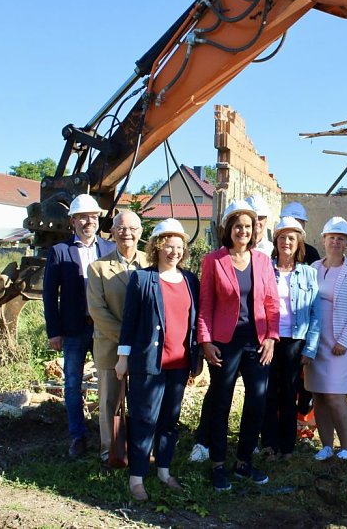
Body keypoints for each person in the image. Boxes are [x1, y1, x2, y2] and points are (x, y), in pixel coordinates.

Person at [197, 199, 279, 491]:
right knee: (221, 402)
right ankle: (218, 464)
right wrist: (205, 341)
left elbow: (271, 302)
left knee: (257, 401)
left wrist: (271, 337)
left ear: (254, 230)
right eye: (237, 226)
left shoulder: (262, 261)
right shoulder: (213, 261)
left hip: (257, 343)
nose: (242, 231)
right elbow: (205, 306)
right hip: (224, 343)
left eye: (248, 226)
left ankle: (244, 462)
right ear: (228, 229)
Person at [115, 218, 200, 501]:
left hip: (179, 363)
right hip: (149, 363)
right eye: (168, 246)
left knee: (169, 422)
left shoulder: (190, 280)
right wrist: (123, 358)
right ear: (157, 247)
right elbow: (129, 322)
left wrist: (196, 358)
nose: (174, 252)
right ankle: (137, 478)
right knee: (144, 420)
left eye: (179, 247)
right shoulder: (142, 279)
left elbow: (194, 321)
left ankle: (163, 471)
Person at [42, 194, 115, 459]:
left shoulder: (109, 249)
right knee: (72, 384)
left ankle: (110, 436)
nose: (88, 221)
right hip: (73, 329)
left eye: (93, 217)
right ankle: (78, 436)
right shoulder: (60, 252)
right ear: (73, 221)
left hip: (103, 329)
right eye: (83, 217)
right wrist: (54, 331)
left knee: (110, 381)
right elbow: (50, 294)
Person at [86, 210, 149, 468]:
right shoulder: (98, 267)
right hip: (110, 345)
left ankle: (138, 451)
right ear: (112, 232)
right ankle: (110, 453)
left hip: (144, 347)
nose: (127, 233)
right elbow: (97, 310)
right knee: (110, 401)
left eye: (132, 228)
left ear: (141, 232)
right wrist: (126, 337)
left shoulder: (150, 263)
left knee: (142, 402)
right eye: (121, 228)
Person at [306, 217, 347, 461]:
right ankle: (327, 446)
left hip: (342, 344)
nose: (336, 242)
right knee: (319, 394)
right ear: (323, 240)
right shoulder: (312, 268)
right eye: (332, 237)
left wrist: (344, 339)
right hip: (317, 343)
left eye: (341, 239)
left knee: (336, 396)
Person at [260, 216, 321, 459]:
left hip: (295, 340)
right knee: (267, 392)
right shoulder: (265, 268)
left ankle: (286, 447)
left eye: (292, 238)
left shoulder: (308, 273)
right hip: (269, 339)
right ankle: (268, 445)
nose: (286, 242)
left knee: (289, 393)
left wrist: (310, 348)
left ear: (299, 243)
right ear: (276, 241)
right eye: (283, 237)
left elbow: (317, 312)